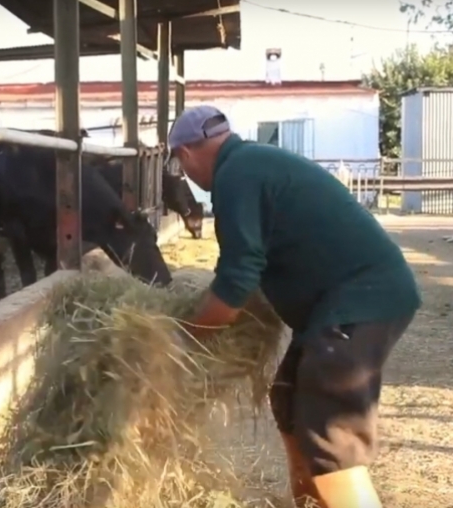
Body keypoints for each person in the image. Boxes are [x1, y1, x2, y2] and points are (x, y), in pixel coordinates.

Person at [167, 105, 421, 508]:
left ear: (186, 153)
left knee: (330, 434)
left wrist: (179, 341)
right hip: (348, 300)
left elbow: (236, 283)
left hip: (359, 300)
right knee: (288, 397)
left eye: (181, 165)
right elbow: (240, 267)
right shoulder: (251, 165)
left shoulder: (236, 176)